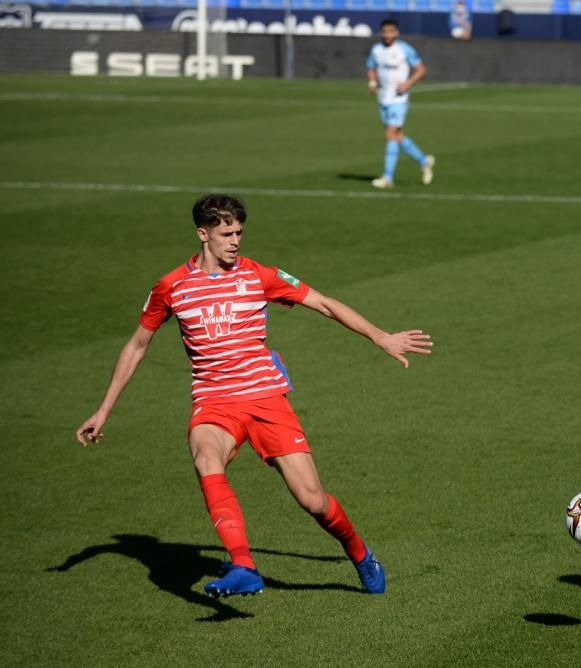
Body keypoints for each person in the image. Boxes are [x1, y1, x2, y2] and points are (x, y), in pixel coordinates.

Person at [75, 194, 433, 598]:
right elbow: (137, 344)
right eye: (226, 233)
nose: (235, 241)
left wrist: (380, 336)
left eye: (239, 232)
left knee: (313, 500)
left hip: (265, 399)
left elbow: (324, 304)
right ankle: (243, 566)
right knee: (205, 456)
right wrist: (104, 409)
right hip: (214, 402)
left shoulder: (258, 276)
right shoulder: (171, 287)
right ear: (202, 234)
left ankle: (359, 552)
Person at [366, 19, 435, 189]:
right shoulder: (376, 50)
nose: (388, 35)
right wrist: (372, 83)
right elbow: (370, 67)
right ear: (381, 33)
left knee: (390, 135)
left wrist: (407, 84)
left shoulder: (404, 49)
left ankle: (388, 177)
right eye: (385, 32)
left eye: (391, 31)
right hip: (383, 98)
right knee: (398, 137)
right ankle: (424, 161)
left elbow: (421, 70)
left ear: (396, 33)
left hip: (399, 99)